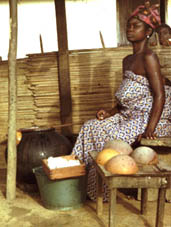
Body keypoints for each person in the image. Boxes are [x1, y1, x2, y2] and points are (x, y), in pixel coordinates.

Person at [72, 0, 171, 202]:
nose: (130, 29)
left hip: (150, 118)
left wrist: (150, 128)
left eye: (136, 26)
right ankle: (80, 182)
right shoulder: (127, 60)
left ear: (148, 32)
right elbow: (128, 97)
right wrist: (109, 112)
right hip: (128, 115)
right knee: (90, 126)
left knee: (109, 136)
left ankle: (105, 191)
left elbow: (159, 95)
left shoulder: (149, 57)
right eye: (128, 25)